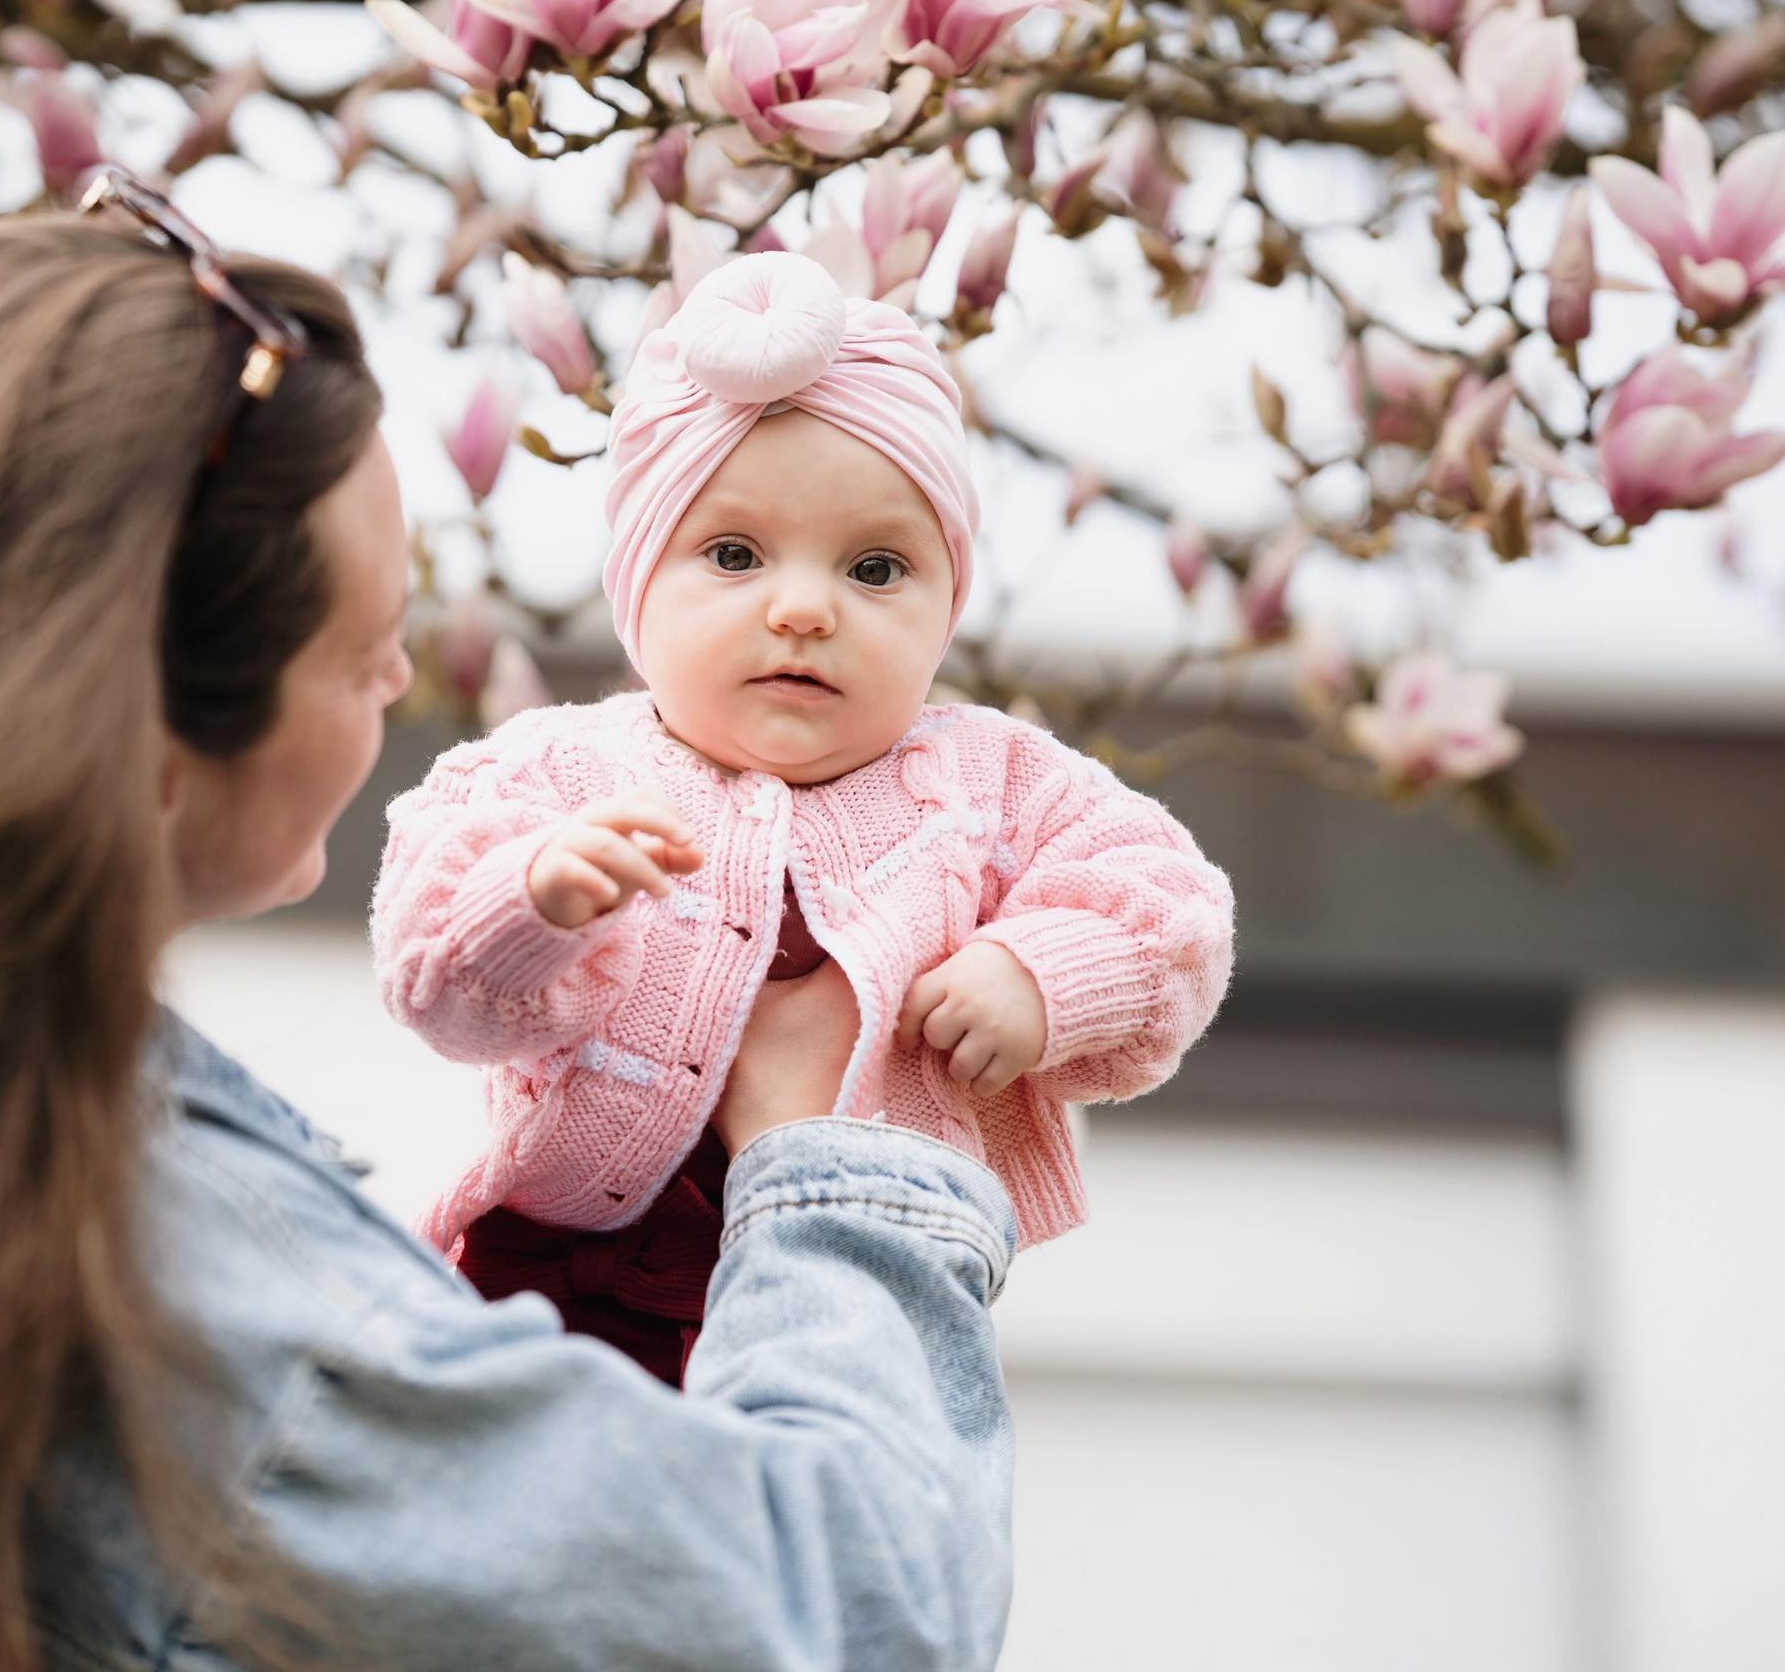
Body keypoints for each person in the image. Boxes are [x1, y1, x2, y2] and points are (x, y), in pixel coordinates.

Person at [0, 198, 1021, 1672]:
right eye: (365, 645)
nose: (403, 684)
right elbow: (843, 1611)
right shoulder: (189, 1287)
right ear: (146, 722)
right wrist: (827, 1158)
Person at [374, 252, 1235, 1382]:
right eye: (733, 554)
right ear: (638, 584)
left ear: (945, 608)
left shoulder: (988, 779)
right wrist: (529, 900)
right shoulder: (560, 767)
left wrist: (1038, 972)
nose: (802, 608)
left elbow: (1169, 907)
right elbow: (431, 972)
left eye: (876, 568)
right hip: (568, 1270)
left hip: (878, 1271)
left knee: (823, 1531)